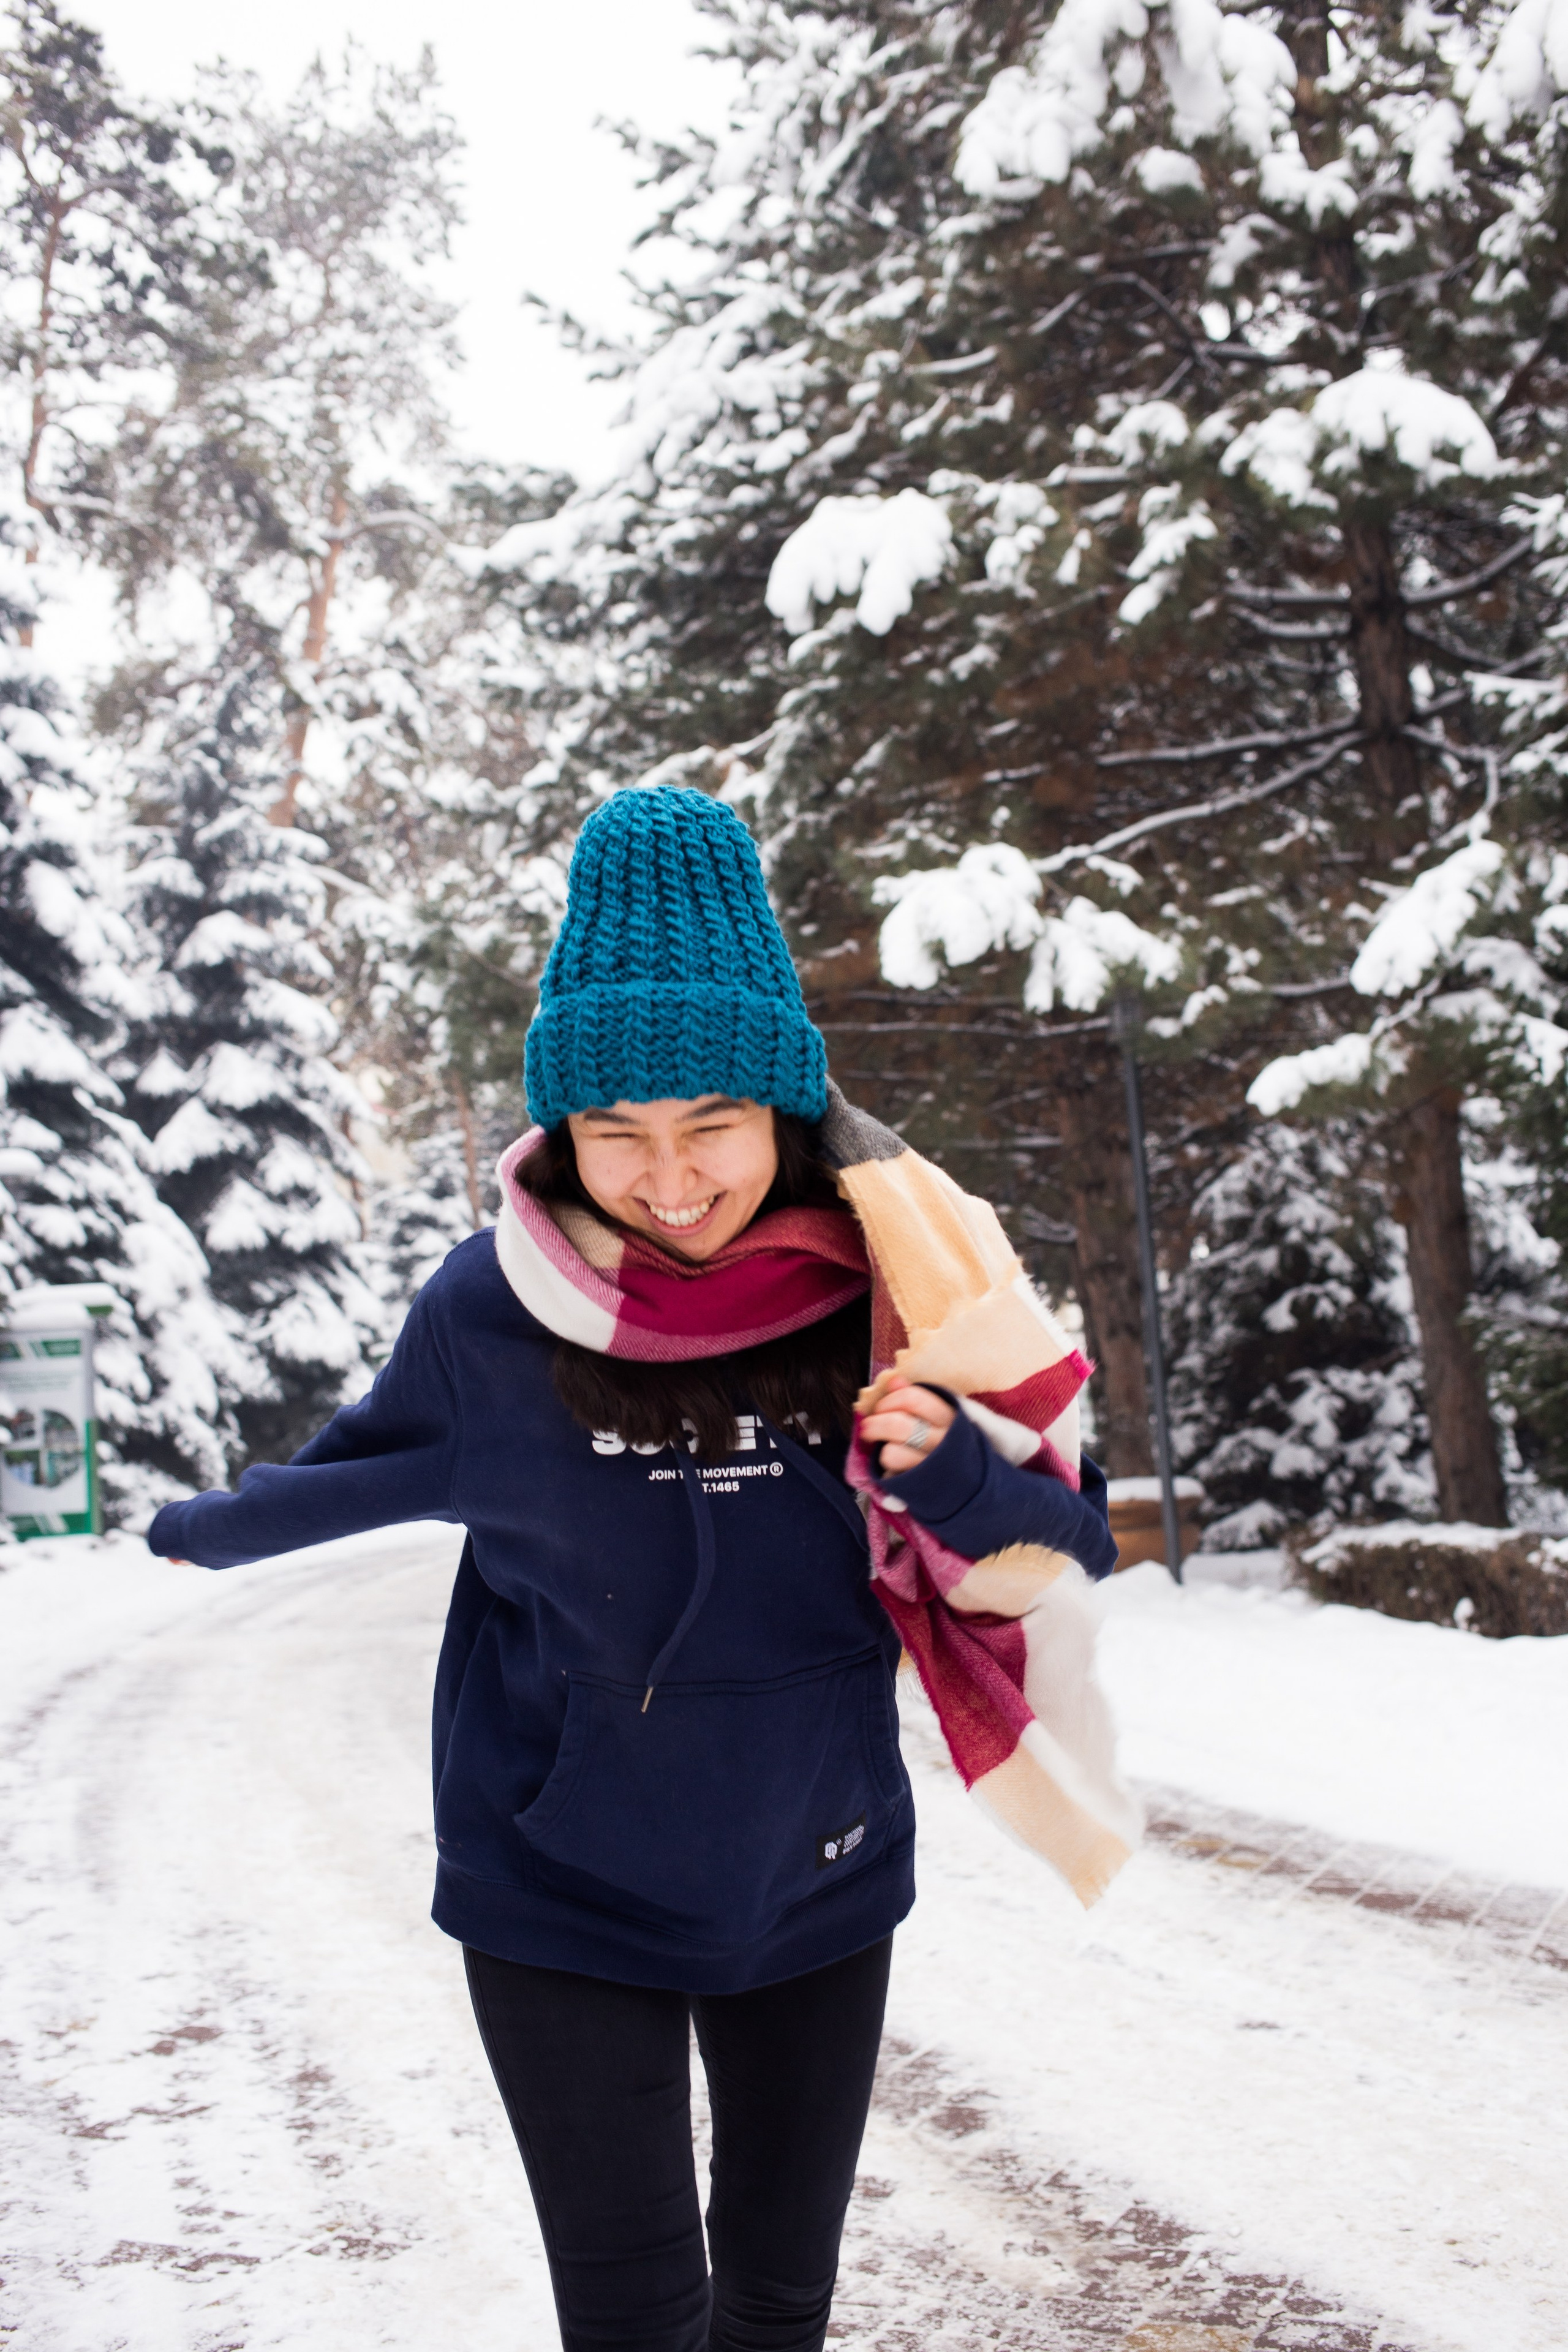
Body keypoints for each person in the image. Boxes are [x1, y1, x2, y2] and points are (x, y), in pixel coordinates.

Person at [148, 785, 1118, 2352]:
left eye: (710, 1129)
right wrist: (204, 1522)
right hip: (558, 1889)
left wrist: (952, 1472)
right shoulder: (487, 1312)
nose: (668, 1183)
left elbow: (1066, 1541)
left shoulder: (900, 1289)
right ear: (563, 1131)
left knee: (778, 2308)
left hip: (816, 1870)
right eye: (617, 1135)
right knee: (632, 2318)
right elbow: (358, 1467)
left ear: (782, 1112)